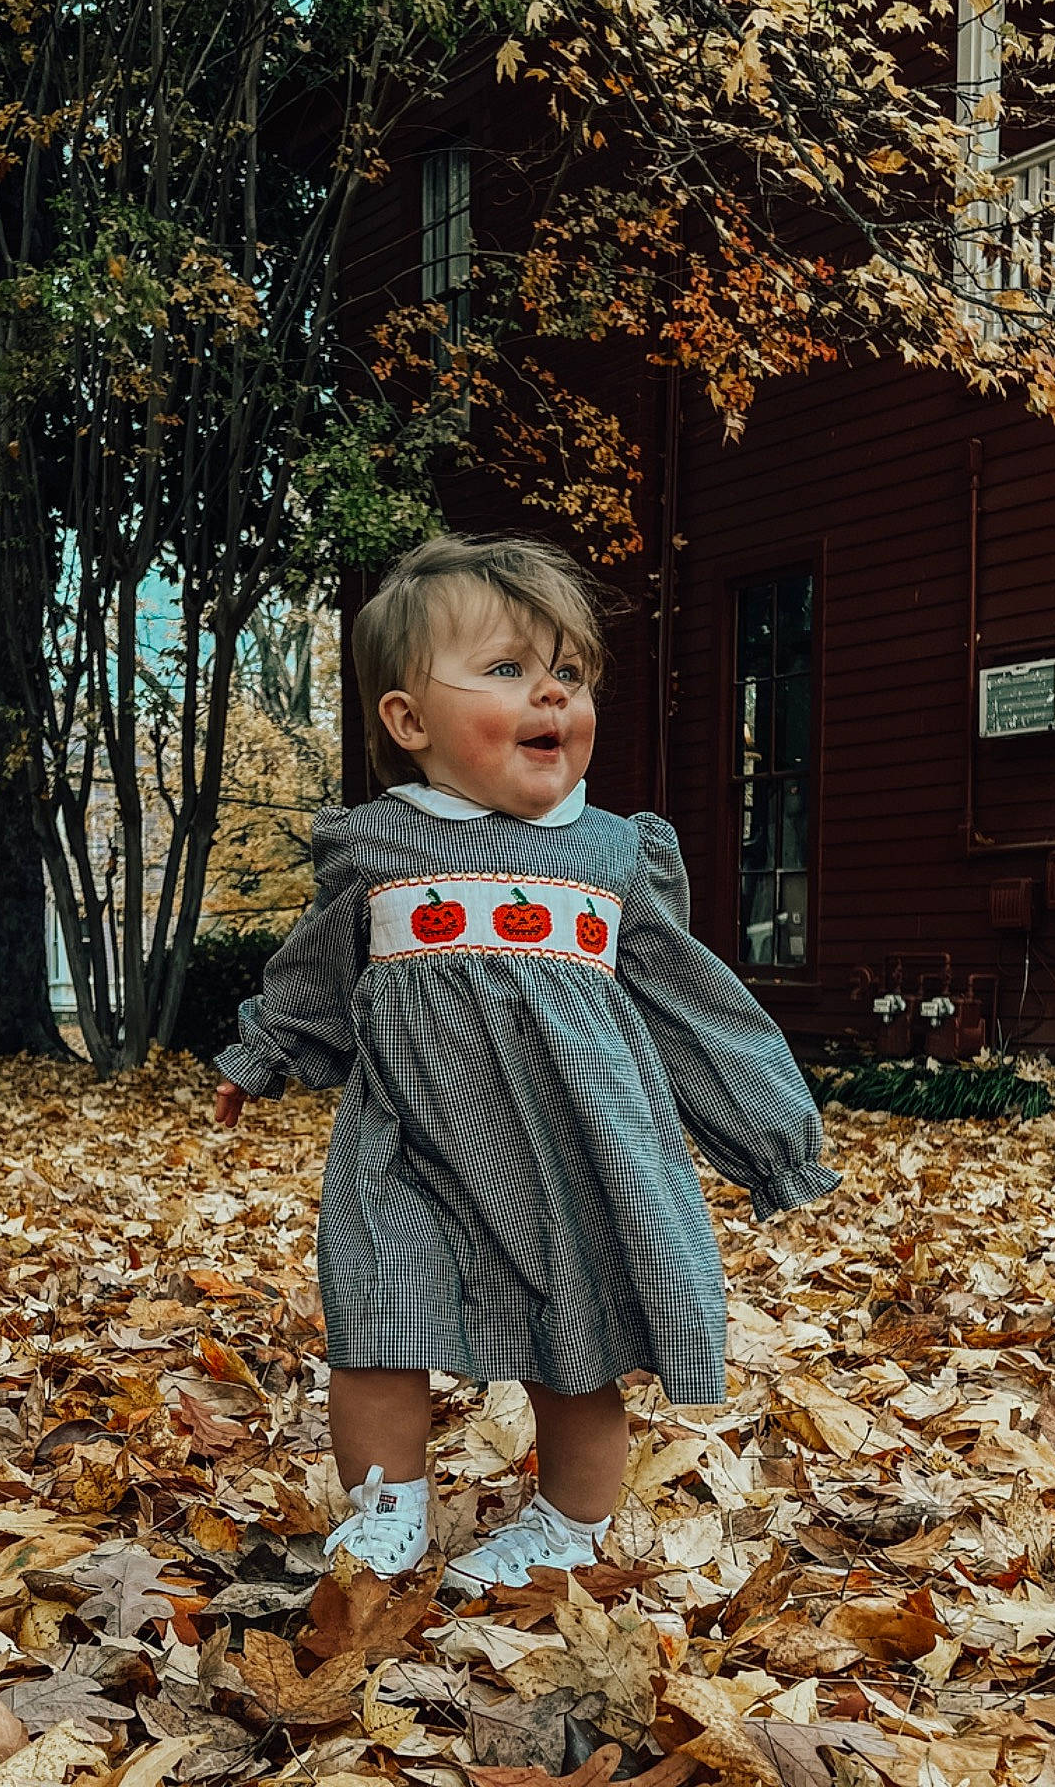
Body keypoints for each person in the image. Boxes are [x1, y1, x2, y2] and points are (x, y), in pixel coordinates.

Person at [213, 533, 841, 1593]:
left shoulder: (611, 855)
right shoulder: (376, 846)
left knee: (576, 1338)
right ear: (408, 720)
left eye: (572, 673)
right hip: (403, 1137)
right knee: (373, 1312)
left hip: (573, 1146)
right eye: (508, 669)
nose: (552, 692)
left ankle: (571, 1521)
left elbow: (694, 1002)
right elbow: (317, 966)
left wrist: (772, 1139)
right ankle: (384, 1512)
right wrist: (266, 1049)